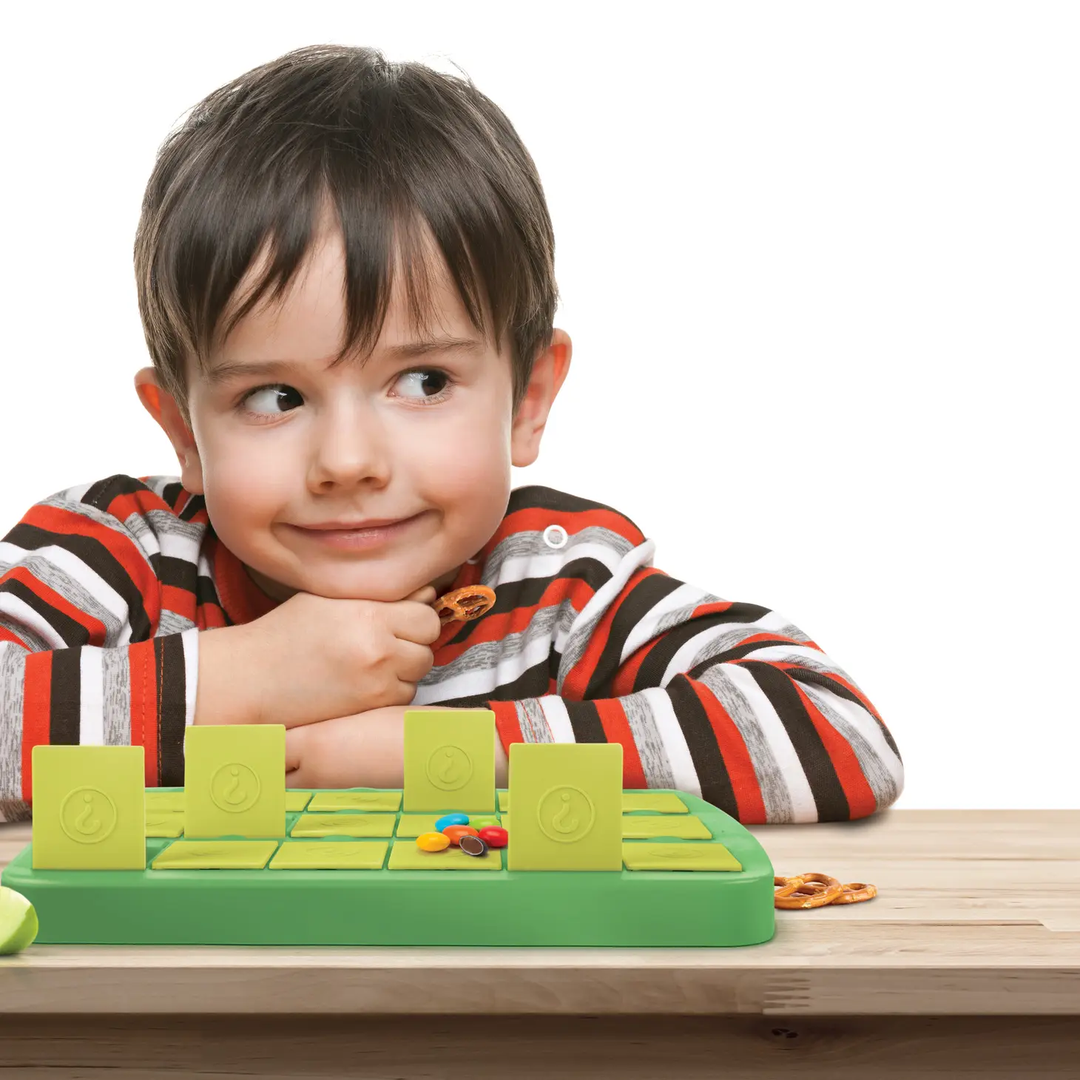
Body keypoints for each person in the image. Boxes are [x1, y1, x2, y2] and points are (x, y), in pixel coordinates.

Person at [0, 45, 903, 826]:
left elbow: (836, 732)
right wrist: (235, 678)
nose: (348, 462)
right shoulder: (120, 558)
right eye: (274, 397)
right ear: (182, 432)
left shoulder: (559, 583)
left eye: (423, 382)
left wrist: (440, 752)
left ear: (528, 400)